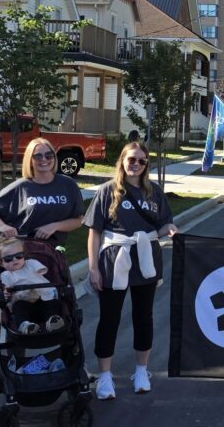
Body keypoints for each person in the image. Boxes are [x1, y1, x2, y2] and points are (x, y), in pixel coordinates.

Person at [84, 141, 178, 400]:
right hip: (114, 260)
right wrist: (93, 268)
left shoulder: (154, 192)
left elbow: (161, 225)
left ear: (146, 165)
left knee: (143, 316)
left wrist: (168, 230)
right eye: (131, 159)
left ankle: (141, 371)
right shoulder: (107, 191)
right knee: (110, 318)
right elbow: (94, 233)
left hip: (145, 259)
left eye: (141, 161)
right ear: (122, 161)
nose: (135, 165)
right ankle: (104, 376)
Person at [0, 138, 85, 246]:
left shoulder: (68, 184)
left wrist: (55, 226)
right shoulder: (20, 187)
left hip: (55, 253)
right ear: (30, 160)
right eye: (38, 156)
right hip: (23, 251)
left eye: (49, 155)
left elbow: (78, 220)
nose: (44, 159)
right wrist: (2, 226)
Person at [0, 237, 65, 335]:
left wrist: (39, 271)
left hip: (44, 299)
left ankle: (53, 321)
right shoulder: (6, 275)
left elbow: (42, 270)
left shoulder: (30, 263)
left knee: (54, 304)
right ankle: (26, 326)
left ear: (24, 256)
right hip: (25, 304)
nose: (15, 260)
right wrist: (5, 292)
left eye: (19, 256)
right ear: (1, 263)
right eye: (8, 259)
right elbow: (5, 287)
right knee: (18, 307)